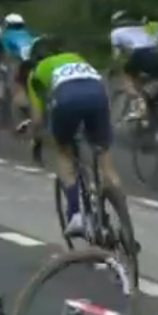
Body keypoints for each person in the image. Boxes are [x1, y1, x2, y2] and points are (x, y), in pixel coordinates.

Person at [18, 37, 117, 241]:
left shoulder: (36, 72)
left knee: (64, 153)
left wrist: (35, 138)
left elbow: (37, 119)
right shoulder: (75, 57)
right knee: (105, 159)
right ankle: (123, 222)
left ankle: (75, 215)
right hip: (98, 95)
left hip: (67, 100)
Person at [109, 10, 158, 121]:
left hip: (140, 54)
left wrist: (112, 68)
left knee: (128, 77)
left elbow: (117, 55)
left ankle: (139, 108)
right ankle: (153, 107)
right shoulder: (143, 29)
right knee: (148, 81)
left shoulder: (116, 32)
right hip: (156, 54)